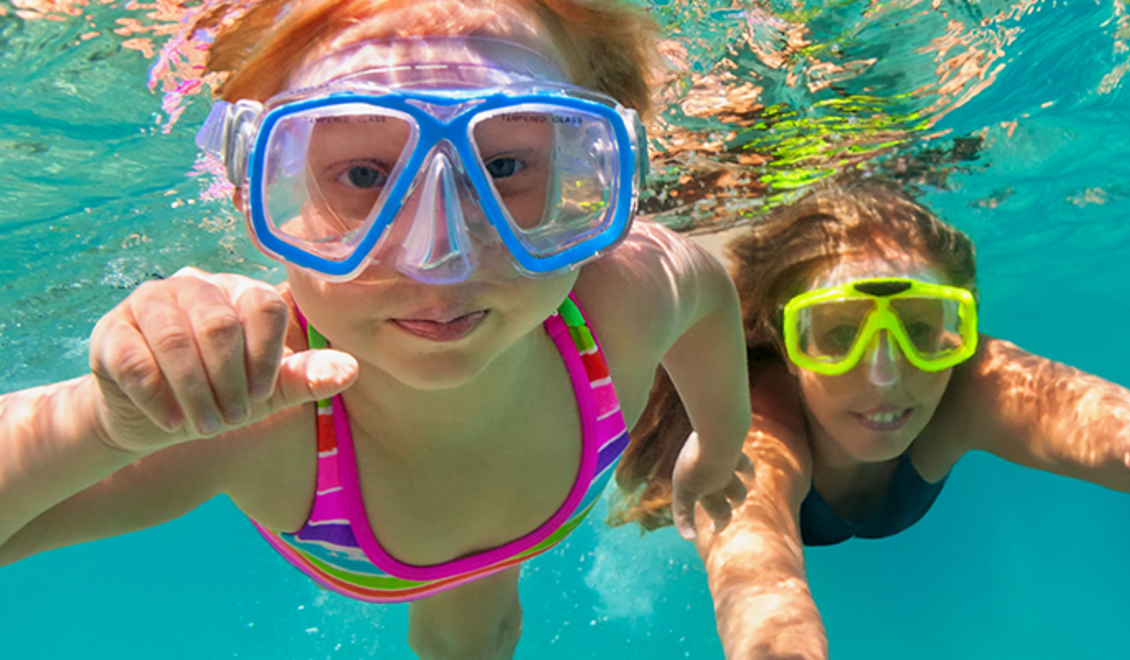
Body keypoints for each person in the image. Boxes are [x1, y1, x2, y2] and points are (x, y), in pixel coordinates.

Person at [0, 1, 753, 657]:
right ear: (256, 191)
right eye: (363, 175)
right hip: (369, 534)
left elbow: (712, 298)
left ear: (584, 172)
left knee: (482, 630)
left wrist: (716, 448)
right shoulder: (251, 408)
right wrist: (104, 426)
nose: (442, 259)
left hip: (515, 518)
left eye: (504, 167)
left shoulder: (624, 293)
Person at [612, 178, 1130, 660]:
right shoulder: (754, 436)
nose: (886, 375)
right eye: (840, 334)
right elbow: (763, 590)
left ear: (960, 332)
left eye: (921, 329)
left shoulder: (976, 385)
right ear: (787, 347)